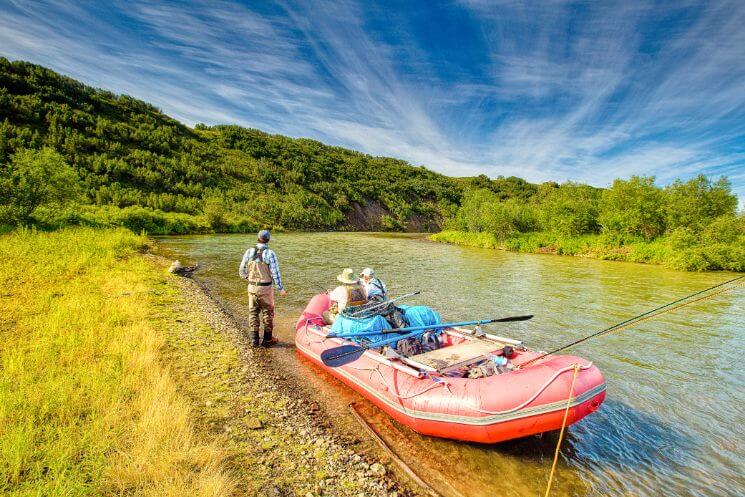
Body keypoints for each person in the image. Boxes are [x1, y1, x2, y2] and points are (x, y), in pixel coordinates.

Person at [239, 229, 287, 347]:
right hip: (265, 288)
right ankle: (267, 340)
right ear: (268, 240)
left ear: (258, 238)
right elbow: (275, 273)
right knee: (268, 313)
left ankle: (254, 340)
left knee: (253, 312)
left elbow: (241, 269)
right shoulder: (270, 253)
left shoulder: (249, 251)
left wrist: (247, 278)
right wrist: (280, 289)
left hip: (252, 287)